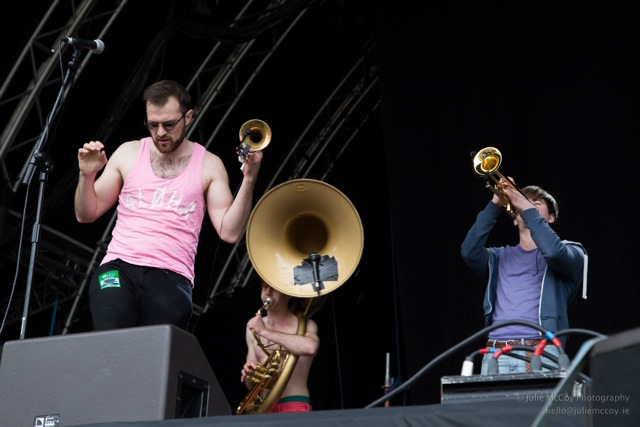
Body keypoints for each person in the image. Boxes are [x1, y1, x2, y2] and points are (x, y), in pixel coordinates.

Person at [74, 79, 263, 331]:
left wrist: (249, 178)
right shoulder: (128, 152)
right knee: (111, 341)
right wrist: (86, 175)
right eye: (153, 125)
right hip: (119, 267)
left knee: (153, 353)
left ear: (188, 117)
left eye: (169, 124)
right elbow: (86, 214)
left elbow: (229, 232)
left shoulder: (209, 164)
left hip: (171, 277)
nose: (161, 132)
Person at [461, 179, 588, 374]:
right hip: (496, 352)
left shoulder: (572, 251)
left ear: (551, 218)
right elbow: (469, 251)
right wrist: (495, 204)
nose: (529, 204)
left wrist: (525, 207)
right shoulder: (498, 257)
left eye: (537, 203)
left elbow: (554, 253)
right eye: (525, 202)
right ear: (514, 219)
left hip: (542, 351)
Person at [240, 280, 319, 413]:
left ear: (288, 294)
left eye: (274, 288)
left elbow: (310, 348)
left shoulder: (305, 325)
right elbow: (251, 385)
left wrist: (265, 332)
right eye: (264, 287)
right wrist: (250, 374)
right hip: (264, 409)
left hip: (294, 404)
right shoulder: (252, 329)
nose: (268, 292)